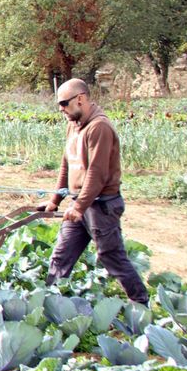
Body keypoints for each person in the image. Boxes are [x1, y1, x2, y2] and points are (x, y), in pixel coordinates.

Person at [37, 79, 149, 304]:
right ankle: (50, 303)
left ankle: (140, 303)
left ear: (80, 99)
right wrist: (55, 200)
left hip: (101, 206)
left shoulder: (100, 127)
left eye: (64, 103)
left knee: (111, 257)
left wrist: (79, 207)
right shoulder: (73, 125)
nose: (61, 109)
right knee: (62, 255)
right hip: (80, 202)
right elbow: (67, 165)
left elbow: (97, 174)